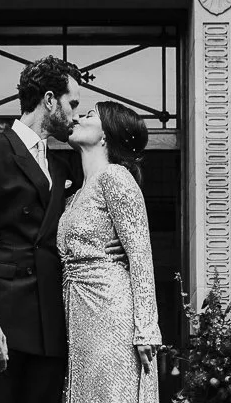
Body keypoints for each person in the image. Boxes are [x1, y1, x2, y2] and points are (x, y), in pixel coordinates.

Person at [0, 55, 84, 403]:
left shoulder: (62, 165)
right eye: (72, 103)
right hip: (0, 322)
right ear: (50, 100)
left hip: (49, 330)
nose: (75, 114)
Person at [57, 100, 161, 403]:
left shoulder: (115, 177)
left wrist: (146, 331)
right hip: (77, 313)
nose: (77, 117)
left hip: (111, 309)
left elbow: (141, 256)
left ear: (106, 135)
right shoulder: (73, 195)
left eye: (89, 115)